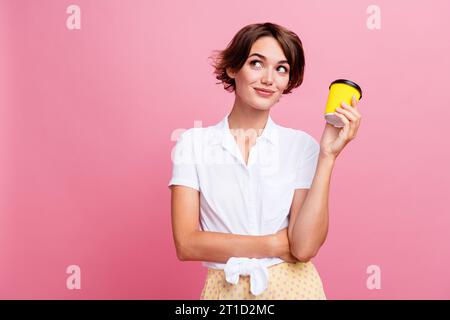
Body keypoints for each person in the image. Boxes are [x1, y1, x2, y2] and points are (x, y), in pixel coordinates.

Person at [168, 22, 362, 300]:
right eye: (257, 63)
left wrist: (328, 156)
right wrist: (274, 243)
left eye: (281, 69)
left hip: (296, 290)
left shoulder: (301, 147)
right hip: (224, 292)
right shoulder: (193, 144)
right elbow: (187, 244)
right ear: (233, 68)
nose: (270, 79)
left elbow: (304, 248)